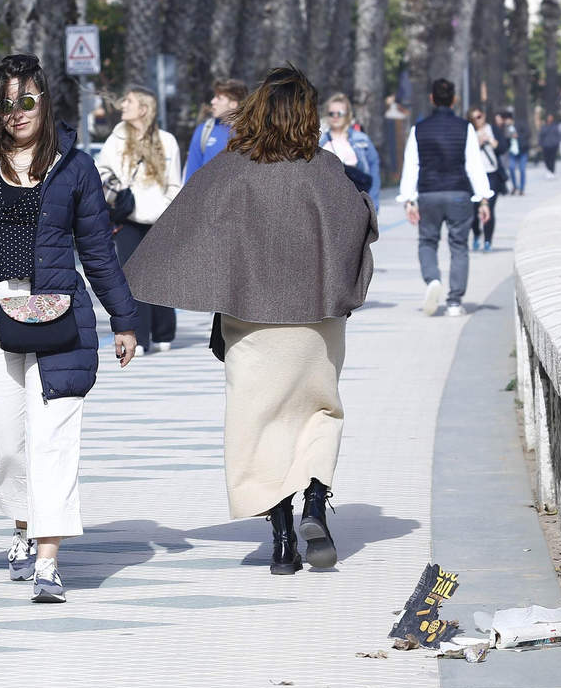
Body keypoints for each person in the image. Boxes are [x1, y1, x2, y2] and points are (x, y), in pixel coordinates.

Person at [120, 67, 378, 575]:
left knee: (257, 423)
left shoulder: (231, 168)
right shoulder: (323, 168)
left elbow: (187, 225)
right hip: (317, 318)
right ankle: (313, 508)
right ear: (306, 115)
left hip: (250, 321)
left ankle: (282, 541)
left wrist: (135, 287)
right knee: (320, 413)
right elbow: (357, 221)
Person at [0, 54, 139, 604]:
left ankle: (48, 560)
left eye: (28, 101)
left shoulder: (75, 167)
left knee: (54, 436)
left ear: (45, 101)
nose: (17, 113)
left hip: (60, 315)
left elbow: (98, 251)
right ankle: (22, 524)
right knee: (8, 442)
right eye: (6, 102)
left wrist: (123, 318)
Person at [399, 79, 494, 317]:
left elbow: (412, 165)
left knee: (427, 242)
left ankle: (433, 280)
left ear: (432, 98)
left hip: (429, 194)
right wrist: (483, 198)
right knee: (459, 246)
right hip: (459, 194)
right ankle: (454, 302)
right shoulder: (465, 128)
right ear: (454, 99)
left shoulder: (419, 129)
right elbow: (474, 165)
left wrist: (409, 200)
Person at [98, 88, 182, 355]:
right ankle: (140, 337)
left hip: (161, 219)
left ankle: (163, 332)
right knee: (133, 279)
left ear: (144, 108)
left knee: (161, 278)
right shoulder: (116, 139)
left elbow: (175, 183)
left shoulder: (167, 141)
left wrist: (167, 211)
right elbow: (101, 171)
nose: (123, 105)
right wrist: (116, 192)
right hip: (128, 218)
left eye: (130, 101)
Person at [319, 92, 382, 202]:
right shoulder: (320, 142)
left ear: (348, 113)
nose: (336, 117)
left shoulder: (361, 139)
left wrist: (373, 202)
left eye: (340, 113)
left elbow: (373, 171)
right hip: (329, 200)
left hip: (356, 199)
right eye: (332, 113)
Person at [185, 79, 247, 181]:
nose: (212, 101)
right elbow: (191, 174)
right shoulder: (204, 130)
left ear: (233, 104)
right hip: (207, 195)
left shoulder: (250, 132)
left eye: (219, 98)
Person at [469, 108, 503, 252]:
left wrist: (489, 140)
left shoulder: (492, 130)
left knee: (489, 207)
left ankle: (488, 240)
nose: (477, 120)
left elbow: (503, 147)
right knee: (473, 210)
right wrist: (477, 143)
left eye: (479, 116)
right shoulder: (469, 132)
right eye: (474, 118)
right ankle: (477, 233)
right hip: (474, 175)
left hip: (491, 174)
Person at [500, 111, 527, 195]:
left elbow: (527, 133)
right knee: (511, 168)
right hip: (512, 151)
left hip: (522, 150)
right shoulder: (505, 128)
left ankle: (522, 188)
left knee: (522, 169)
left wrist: (518, 136)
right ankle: (515, 185)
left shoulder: (519, 124)